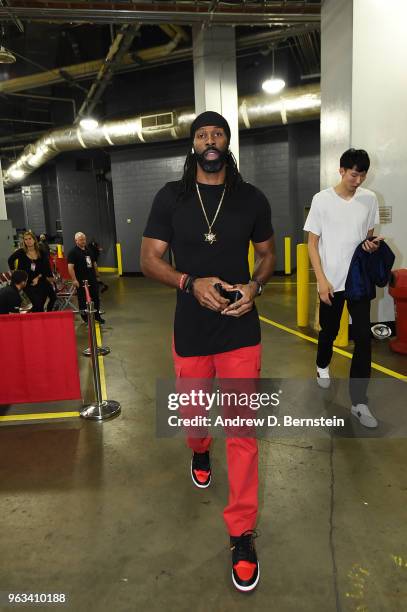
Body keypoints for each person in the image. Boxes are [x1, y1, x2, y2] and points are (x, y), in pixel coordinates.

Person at [141, 111, 275, 592]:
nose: (210, 140)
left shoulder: (251, 198)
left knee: (242, 431)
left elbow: (266, 254)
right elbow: (149, 259)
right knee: (195, 417)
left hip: (241, 329)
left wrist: (256, 287)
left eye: (217, 133)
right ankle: (199, 450)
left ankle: (241, 532)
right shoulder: (171, 197)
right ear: (193, 144)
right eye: (202, 134)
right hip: (191, 329)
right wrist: (188, 281)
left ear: (227, 143)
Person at [304, 148, 381, 428]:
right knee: (330, 331)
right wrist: (321, 280)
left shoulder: (369, 199)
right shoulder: (321, 200)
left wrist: (371, 246)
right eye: (353, 174)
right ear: (341, 171)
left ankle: (359, 402)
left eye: (362, 174)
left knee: (362, 338)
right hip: (331, 281)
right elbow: (312, 243)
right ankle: (322, 363)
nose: (358, 180)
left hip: (358, 281)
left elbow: (367, 238)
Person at [8, 230, 56, 312]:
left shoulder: (41, 251)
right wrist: (15, 274)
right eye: (25, 239)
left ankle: (48, 315)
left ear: (34, 240)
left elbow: (45, 267)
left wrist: (40, 277)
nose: (28, 241)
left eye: (29, 239)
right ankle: (36, 319)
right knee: (38, 304)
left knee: (53, 297)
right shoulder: (21, 252)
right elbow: (10, 260)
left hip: (41, 279)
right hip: (27, 282)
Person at [67, 232, 105, 324]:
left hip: (92, 278)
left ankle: (97, 316)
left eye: (84, 239)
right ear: (76, 241)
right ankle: (85, 318)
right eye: (81, 239)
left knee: (95, 298)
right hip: (81, 280)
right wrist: (74, 280)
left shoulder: (89, 250)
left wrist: (97, 276)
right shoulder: (73, 252)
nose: (83, 241)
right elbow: (70, 267)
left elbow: (94, 263)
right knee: (82, 300)